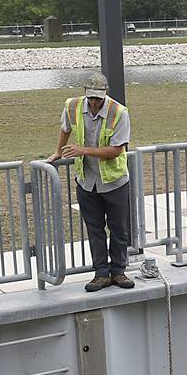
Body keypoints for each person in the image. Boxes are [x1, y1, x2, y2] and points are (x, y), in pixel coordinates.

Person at [51, 72, 138, 292]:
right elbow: (65, 128)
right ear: (85, 94)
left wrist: (82, 150)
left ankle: (118, 271)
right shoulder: (72, 107)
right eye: (91, 98)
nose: (94, 102)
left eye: (98, 98)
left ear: (105, 95)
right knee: (94, 228)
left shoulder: (119, 113)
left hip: (114, 182)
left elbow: (117, 149)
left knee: (119, 228)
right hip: (87, 181)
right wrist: (58, 152)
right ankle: (101, 274)